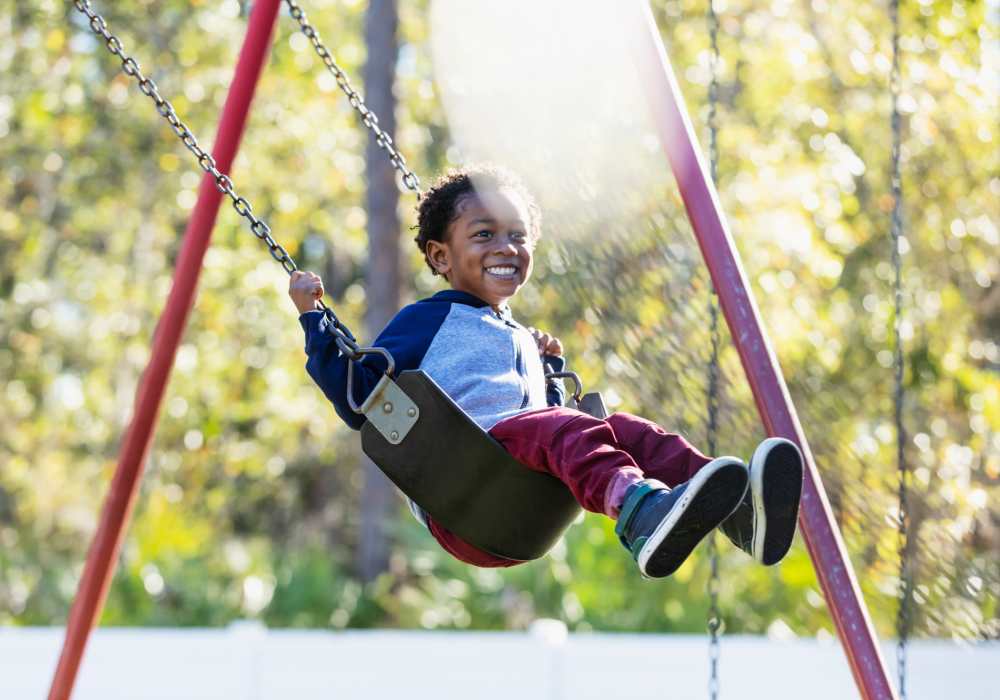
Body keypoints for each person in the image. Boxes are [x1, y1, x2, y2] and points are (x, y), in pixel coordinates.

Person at [290, 165, 803, 578]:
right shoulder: (428, 318)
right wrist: (314, 319)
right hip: (463, 489)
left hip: (523, 502)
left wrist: (548, 368)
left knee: (621, 430)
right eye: (484, 234)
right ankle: (642, 514)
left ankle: (736, 511)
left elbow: (554, 430)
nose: (505, 247)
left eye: (518, 235)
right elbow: (358, 394)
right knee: (560, 429)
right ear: (440, 256)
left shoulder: (520, 336)